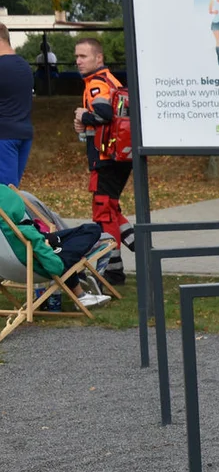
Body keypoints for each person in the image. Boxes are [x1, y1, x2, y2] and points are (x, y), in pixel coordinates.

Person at [73, 38, 134, 286]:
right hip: (118, 157)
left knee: (103, 211)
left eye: (83, 56)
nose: (78, 61)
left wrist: (82, 115)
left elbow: (103, 114)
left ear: (99, 58)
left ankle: (113, 271)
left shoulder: (97, 84)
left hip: (106, 159)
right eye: (76, 56)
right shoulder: (112, 80)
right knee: (111, 209)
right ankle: (143, 251)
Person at [0, 184, 111, 308]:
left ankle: (80, 288)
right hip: (39, 264)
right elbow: (56, 267)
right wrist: (50, 249)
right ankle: (81, 296)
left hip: (9, 268)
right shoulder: (25, 231)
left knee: (89, 229)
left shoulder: (6, 230)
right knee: (92, 231)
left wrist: (47, 239)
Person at [0, 23, 34, 189]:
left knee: (4, 192)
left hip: (3, 136)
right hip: (23, 132)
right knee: (12, 189)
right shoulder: (24, 66)